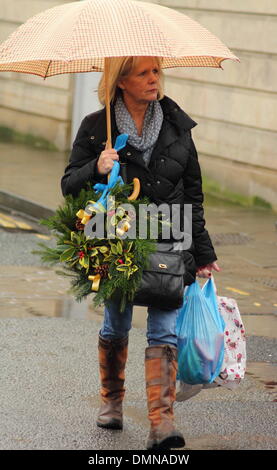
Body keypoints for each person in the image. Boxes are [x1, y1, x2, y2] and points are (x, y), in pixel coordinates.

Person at [61, 56, 220, 450]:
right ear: (122, 81)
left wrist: (203, 251)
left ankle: (161, 423)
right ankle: (112, 402)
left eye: (156, 72)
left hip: (170, 235)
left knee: (164, 329)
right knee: (116, 324)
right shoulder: (97, 127)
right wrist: (97, 167)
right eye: (144, 73)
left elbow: (193, 196)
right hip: (119, 239)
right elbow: (68, 185)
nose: (154, 79)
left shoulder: (177, 126)